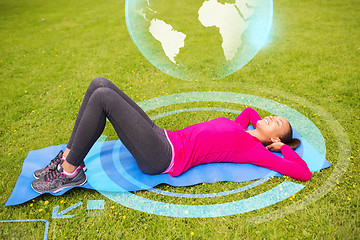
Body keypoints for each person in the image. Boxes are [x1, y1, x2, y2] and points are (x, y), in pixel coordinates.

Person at [31, 77, 312, 194]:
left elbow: (303, 173)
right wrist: (264, 128)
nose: (273, 117)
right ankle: (68, 157)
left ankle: (69, 172)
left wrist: (281, 148)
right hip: (161, 136)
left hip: (162, 156)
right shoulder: (242, 128)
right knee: (99, 84)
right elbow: (250, 111)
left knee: (104, 97)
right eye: (275, 116)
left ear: (275, 139)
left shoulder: (254, 151)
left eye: (278, 123)